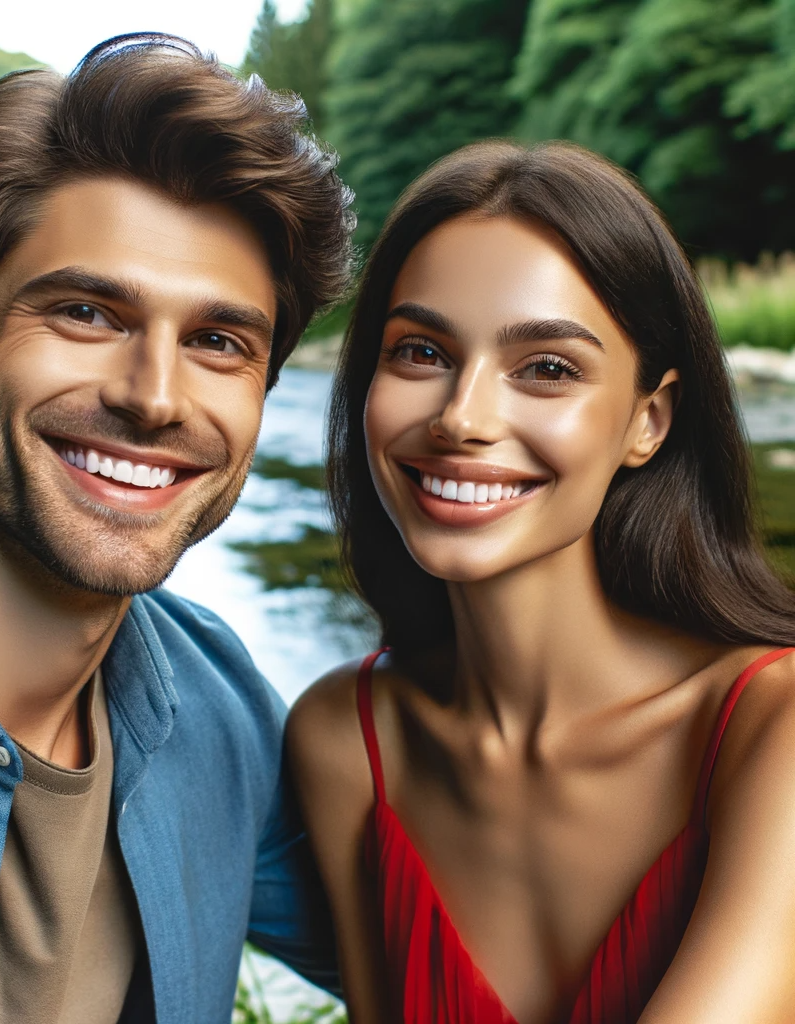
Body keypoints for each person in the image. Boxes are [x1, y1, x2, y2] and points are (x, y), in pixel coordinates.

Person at [0, 34, 352, 1024]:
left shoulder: (215, 710)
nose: (155, 397)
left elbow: (475, 959)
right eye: (86, 312)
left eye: (218, 341)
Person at [288, 140, 795, 1024]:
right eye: (420, 352)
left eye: (548, 369)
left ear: (649, 421)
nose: (462, 417)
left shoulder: (771, 729)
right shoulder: (348, 742)